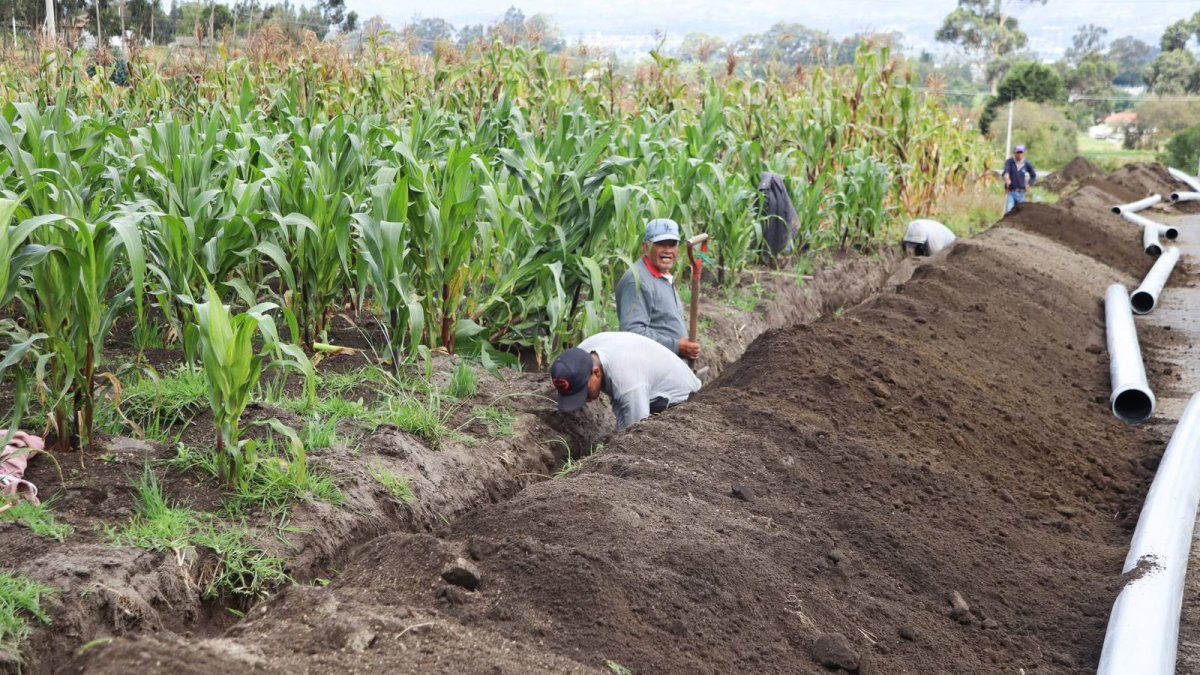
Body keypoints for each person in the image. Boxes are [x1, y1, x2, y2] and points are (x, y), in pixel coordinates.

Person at [550, 331, 701, 432]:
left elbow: (635, 436)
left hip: (682, 401)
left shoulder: (627, 383)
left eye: (584, 392)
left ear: (596, 372)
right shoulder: (582, 353)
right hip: (644, 373)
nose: (586, 401)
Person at [615, 218, 701, 361]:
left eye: (672, 244)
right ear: (645, 248)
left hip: (670, 366)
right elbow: (632, 332)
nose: (667, 250)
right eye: (660, 244)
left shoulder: (663, 275)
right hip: (650, 370)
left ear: (678, 249)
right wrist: (676, 346)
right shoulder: (637, 280)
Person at [1003, 144, 1037, 214]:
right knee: (1009, 212)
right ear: (1015, 153)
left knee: (1020, 214)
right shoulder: (1010, 162)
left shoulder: (1027, 164)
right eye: (1018, 153)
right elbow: (1006, 171)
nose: (1019, 154)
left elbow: (1033, 175)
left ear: (1023, 153)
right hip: (1011, 192)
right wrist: (1007, 178)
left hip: (1022, 193)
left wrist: (1029, 184)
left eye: (1021, 153)